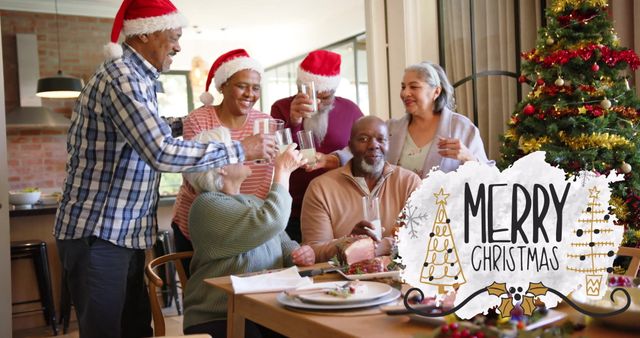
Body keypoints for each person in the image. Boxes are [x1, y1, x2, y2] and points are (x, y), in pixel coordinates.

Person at [53, 1, 275, 337]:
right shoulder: (122, 77)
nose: (178, 45)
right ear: (145, 35)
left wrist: (185, 124)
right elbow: (159, 151)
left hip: (121, 232)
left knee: (135, 330)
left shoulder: (139, 79)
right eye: (173, 36)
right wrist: (240, 148)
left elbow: (150, 131)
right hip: (99, 232)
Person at [183, 127, 315, 337]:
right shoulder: (205, 205)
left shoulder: (253, 201)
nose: (245, 153)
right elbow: (270, 221)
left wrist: (299, 255)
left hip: (265, 309)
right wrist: (282, 172)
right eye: (236, 150)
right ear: (220, 168)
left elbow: (283, 242)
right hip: (220, 315)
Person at [171, 49, 273, 275]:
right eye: (242, 85)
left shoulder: (265, 123)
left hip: (249, 223)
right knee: (204, 296)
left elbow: (269, 176)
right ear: (223, 85)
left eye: (255, 88)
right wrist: (242, 151)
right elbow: (197, 177)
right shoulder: (199, 119)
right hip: (199, 225)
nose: (250, 94)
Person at [271, 50, 363, 242]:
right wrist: (294, 119)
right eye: (311, 96)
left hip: (340, 204)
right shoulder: (281, 107)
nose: (318, 103)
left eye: (325, 97)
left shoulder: (350, 110)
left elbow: (362, 152)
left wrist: (331, 160)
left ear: (334, 92)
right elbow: (277, 151)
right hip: (294, 206)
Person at [300, 116, 421, 262]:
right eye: (363, 139)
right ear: (350, 146)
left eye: (381, 139)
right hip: (340, 282)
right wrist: (347, 243)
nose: (373, 145)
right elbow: (314, 251)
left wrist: (384, 246)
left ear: (388, 144)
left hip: (399, 279)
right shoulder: (320, 188)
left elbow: (423, 238)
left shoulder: (409, 182)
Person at [390, 61, 494, 177]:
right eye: (403, 87)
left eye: (414, 86)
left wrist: (468, 157)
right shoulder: (390, 129)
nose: (405, 93)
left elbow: (490, 177)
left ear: (436, 92)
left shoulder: (462, 127)